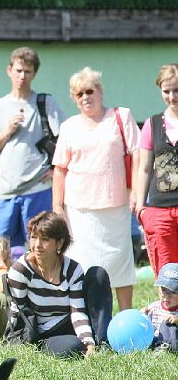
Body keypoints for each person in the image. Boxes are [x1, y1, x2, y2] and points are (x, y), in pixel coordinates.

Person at [53, 67, 138, 310]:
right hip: (79, 210)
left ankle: (126, 315)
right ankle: (88, 319)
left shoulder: (121, 116)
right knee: (82, 267)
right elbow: (60, 169)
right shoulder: (69, 126)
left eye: (89, 91)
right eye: (79, 94)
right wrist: (57, 206)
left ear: (100, 91)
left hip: (116, 204)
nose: (85, 97)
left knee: (121, 265)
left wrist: (137, 194)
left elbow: (139, 155)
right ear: (74, 99)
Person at [0, 47, 66, 247]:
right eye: (18, 71)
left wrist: (55, 170)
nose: (22, 76)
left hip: (39, 188)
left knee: (41, 248)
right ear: (9, 70)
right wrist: (7, 131)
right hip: (6, 192)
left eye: (27, 71)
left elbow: (66, 141)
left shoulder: (45, 102)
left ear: (34, 73)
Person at [7, 212, 112, 358]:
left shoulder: (73, 269)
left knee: (97, 274)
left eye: (45, 239)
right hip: (44, 333)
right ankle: (82, 345)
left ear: (60, 243)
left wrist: (89, 342)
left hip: (72, 322)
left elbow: (77, 311)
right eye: (33, 237)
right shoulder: (20, 270)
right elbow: (18, 312)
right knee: (73, 347)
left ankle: (102, 343)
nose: (37, 245)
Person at [134, 64, 178, 274]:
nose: (172, 96)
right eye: (166, 91)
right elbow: (144, 168)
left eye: (176, 90)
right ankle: (167, 307)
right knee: (166, 272)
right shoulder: (152, 124)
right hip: (160, 209)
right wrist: (141, 207)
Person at [141, 262, 178, 352]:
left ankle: (164, 347)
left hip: (172, 342)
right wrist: (142, 315)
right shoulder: (154, 307)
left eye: (173, 292)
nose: (167, 296)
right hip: (153, 340)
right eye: (164, 290)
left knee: (168, 324)